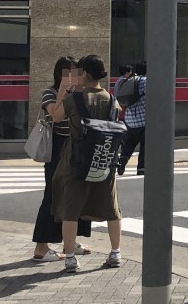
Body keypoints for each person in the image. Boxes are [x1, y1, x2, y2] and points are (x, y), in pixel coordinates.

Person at [48, 54, 122, 274]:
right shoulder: (111, 99)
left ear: (86, 74)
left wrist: (64, 91)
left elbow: (57, 117)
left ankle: (70, 257)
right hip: (103, 158)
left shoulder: (75, 99)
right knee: (112, 207)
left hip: (76, 160)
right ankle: (115, 252)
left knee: (70, 209)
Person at [30, 56, 92, 263]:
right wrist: (63, 93)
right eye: (71, 72)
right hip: (57, 146)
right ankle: (41, 246)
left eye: (77, 72)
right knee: (53, 194)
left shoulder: (79, 91)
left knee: (77, 193)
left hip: (76, 145)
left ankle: (70, 242)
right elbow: (55, 116)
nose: (75, 76)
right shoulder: (50, 92)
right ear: (61, 74)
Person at [117, 61, 147, 176]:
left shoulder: (130, 80)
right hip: (144, 119)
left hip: (130, 119)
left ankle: (123, 159)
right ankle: (141, 168)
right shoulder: (147, 82)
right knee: (145, 145)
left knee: (130, 143)